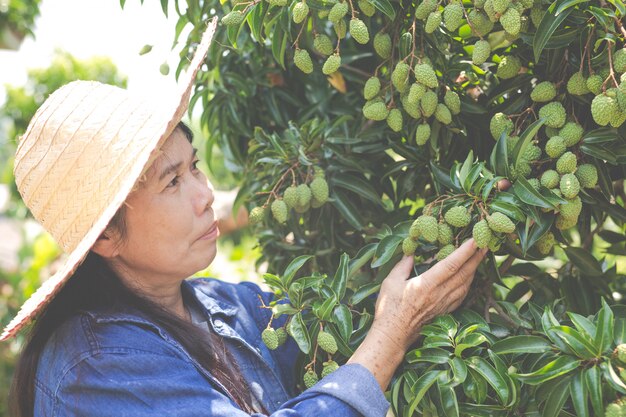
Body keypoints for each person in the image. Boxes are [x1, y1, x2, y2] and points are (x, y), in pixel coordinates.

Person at [4, 19, 487, 417]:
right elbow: (383, 326)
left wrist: (456, 218)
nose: (205, 193)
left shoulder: (219, 304)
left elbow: (338, 311)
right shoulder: (99, 368)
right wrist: (394, 331)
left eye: (194, 166)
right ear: (107, 236)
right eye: (172, 182)